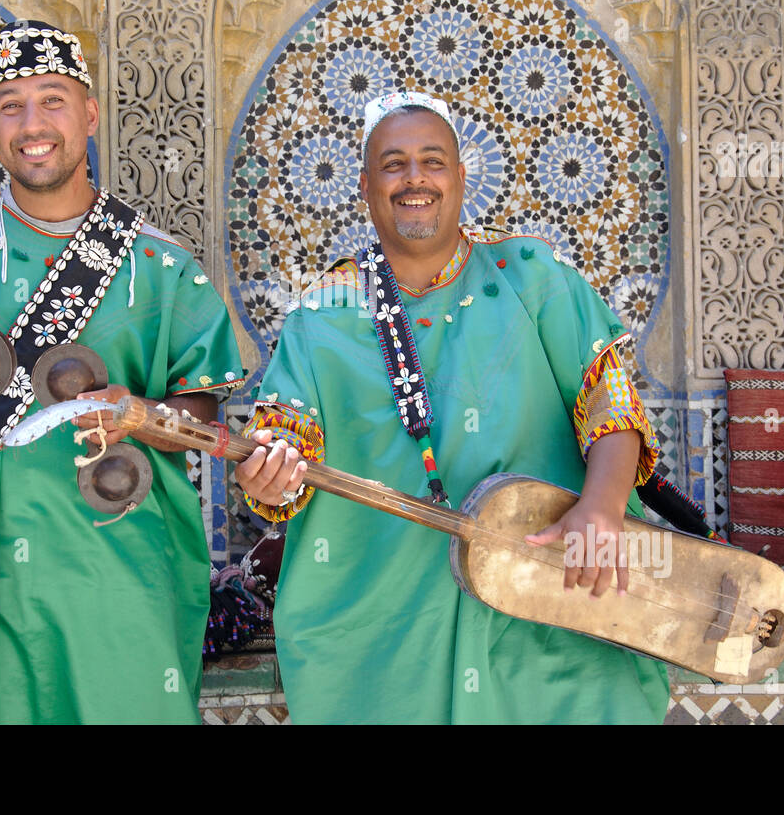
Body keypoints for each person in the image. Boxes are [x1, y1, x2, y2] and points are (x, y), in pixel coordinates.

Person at [0, 20, 244, 723]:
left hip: (115, 568)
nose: (33, 124)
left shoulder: (157, 263)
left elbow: (206, 420)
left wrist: (140, 413)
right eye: (10, 105)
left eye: (53, 100)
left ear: (89, 114)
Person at [234, 90, 670, 723]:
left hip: (544, 602)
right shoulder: (321, 314)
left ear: (461, 178)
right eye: (394, 164)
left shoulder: (531, 276)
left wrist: (600, 510)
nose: (415, 178)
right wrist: (267, 474)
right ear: (364, 185)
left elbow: (612, 406)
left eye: (433, 161)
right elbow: (280, 452)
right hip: (385, 619)